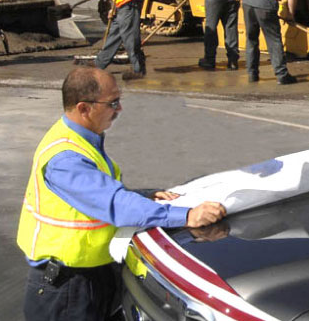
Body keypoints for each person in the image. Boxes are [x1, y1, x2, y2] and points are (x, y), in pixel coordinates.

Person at [17, 67, 226, 321]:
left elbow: (101, 194)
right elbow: (116, 205)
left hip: (92, 276)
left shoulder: (82, 140)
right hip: (68, 289)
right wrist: (188, 216)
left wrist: (146, 196)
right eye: (112, 103)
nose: (119, 109)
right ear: (84, 108)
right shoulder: (66, 159)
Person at [231, 0, 299, 84]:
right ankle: (282, 75)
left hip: (248, 0)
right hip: (266, 4)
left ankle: (252, 74)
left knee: (251, 39)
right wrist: (291, 15)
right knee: (273, 40)